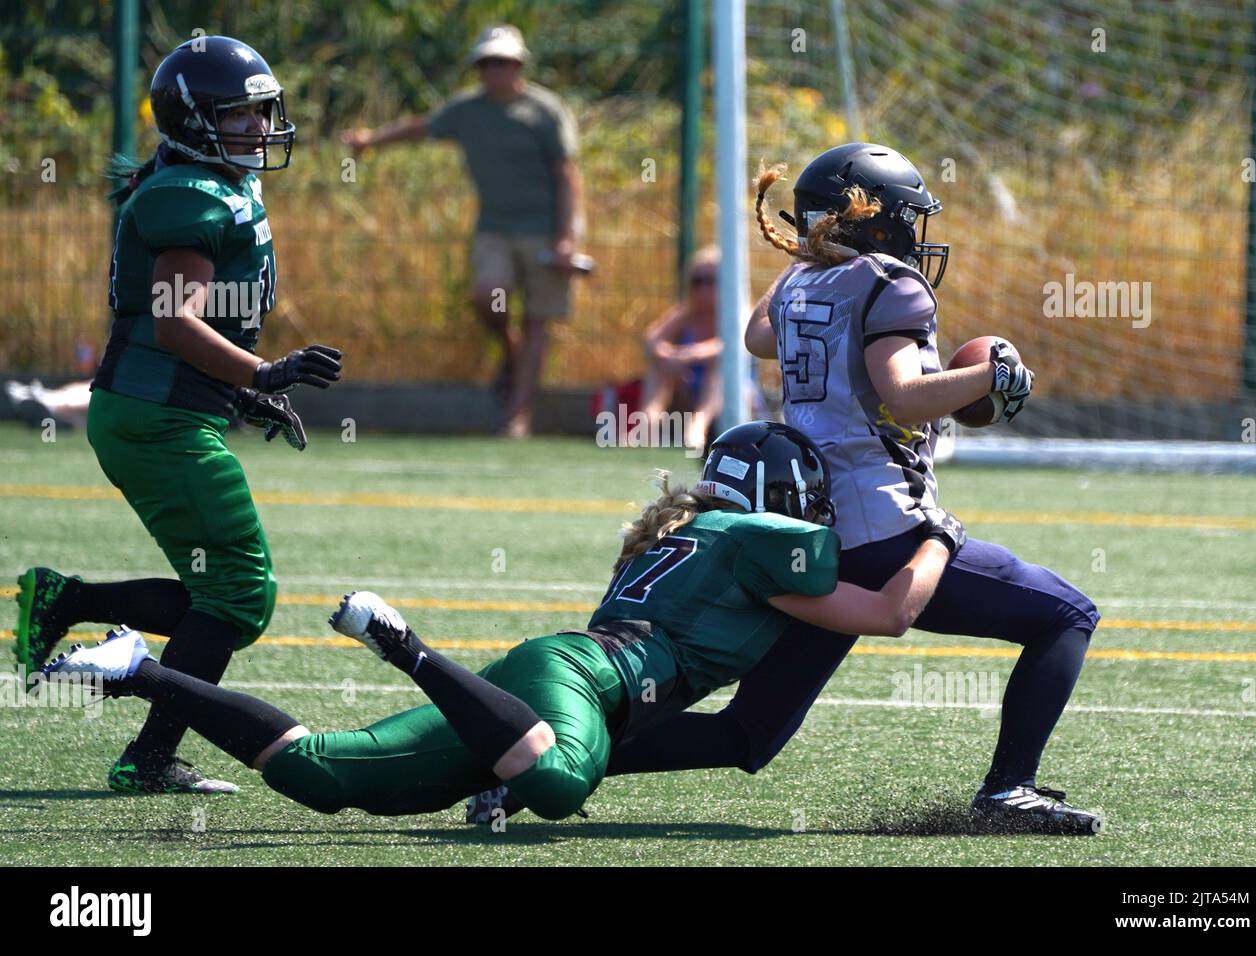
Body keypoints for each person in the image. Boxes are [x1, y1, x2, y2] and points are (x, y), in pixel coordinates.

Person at [545, 144, 1104, 835]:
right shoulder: (891, 283)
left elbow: (756, 337)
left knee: (750, 733)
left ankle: (539, 759)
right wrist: (992, 374)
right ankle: (1009, 789)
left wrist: (805, 260)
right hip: (881, 526)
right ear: (877, 219)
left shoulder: (802, 279)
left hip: (806, 529)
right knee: (1064, 615)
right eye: (907, 216)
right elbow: (902, 393)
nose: (916, 232)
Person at [42, 422, 966, 821]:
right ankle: (403, 645)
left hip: (552, 678)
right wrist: (936, 535)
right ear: (781, 497)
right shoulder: (755, 534)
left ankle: (138, 669)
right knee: (564, 786)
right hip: (580, 682)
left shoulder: (687, 534)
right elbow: (890, 613)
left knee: (321, 776)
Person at [13, 36, 344, 794]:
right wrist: (265, 369)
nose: (261, 129)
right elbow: (172, 321)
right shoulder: (187, 195)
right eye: (241, 115)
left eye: (264, 112)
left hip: (166, 413)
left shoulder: (212, 183)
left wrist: (241, 392)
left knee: (226, 595)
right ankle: (148, 754)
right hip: (153, 418)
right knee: (238, 594)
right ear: (195, 121)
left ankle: (69, 604)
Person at [341, 25, 584, 438]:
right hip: (495, 229)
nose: (496, 70)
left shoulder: (546, 110)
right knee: (488, 297)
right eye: (488, 63)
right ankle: (511, 352)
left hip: (545, 232)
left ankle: (517, 416)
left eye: (504, 62)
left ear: (519, 64)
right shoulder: (467, 110)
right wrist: (370, 141)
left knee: (538, 321)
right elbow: (421, 128)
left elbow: (568, 175)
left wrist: (568, 235)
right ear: (478, 68)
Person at [640, 247, 724, 453]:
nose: (704, 288)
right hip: (687, 388)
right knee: (660, 367)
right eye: (698, 281)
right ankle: (647, 426)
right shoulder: (686, 313)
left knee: (719, 367)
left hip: (729, 395)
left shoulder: (735, 311)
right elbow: (651, 339)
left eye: (711, 280)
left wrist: (688, 354)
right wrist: (667, 355)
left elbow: (733, 347)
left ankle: (697, 429)